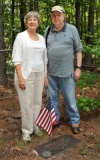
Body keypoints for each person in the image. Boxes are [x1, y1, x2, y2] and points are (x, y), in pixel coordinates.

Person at [44, 6, 82, 134]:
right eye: (54, 15)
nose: (56, 17)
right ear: (51, 17)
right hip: (51, 74)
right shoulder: (48, 30)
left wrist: (78, 68)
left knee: (70, 99)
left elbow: (78, 50)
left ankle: (75, 121)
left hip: (67, 73)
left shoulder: (72, 29)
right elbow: (44, 52)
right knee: (51, 99)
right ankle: (54, 120)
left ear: (63, 16)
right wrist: (45, 73)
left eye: (58, 15)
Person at [12, 11, 48, 142]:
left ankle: (35, 126)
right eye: (30, 19)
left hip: (40, 74)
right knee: (26, 104)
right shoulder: (21, 37)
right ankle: (26, 131)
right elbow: (16, 59)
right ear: (26, 22)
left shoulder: (42, 38)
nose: (32, 21)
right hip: (25, 75)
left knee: (37, 103)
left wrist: (45, 75)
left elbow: (45, 59)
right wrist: (21, 78)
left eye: (35, 19)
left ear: (38, 23)